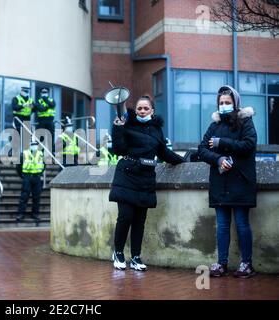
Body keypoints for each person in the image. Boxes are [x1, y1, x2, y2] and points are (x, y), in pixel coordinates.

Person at [109, 95, 185, 271]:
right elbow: (118, 149)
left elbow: (164, 152)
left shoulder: (157, 130)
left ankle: (136, 257)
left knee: (139, 220)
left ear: (152, 110)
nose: (142, 111)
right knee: (125, 216)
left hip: (145, 178)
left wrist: (182, 161)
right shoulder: (126, 122)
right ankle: (118, 252)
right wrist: (117, 128)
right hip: (127, 174)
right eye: (139, 108)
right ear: (135, 110)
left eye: (145, 108)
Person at [198, 85, 257, 278]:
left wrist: (221, 143)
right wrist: (218, 159)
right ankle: (222, 263)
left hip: (241, 181)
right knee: (222, 225)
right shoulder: (214, 125)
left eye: (228, 102)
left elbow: (249, 145)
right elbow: (202, 149)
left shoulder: (245, 121)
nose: (224, 105)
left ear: (235, 103)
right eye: (221, 103)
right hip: (220, 182)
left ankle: (246, 263)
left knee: (241, 223)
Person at [16, 140, 44, 222]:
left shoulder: (41, 154)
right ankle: (21, 214)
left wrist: (39, 173)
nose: (34, 146)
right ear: (29, 145)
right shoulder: (24, 154)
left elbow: (43, 165)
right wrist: (23, 176)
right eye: (33, 144)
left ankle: (35, 214)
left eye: (36, 144)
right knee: (24, 196)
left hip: (37, 177)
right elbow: (18, 167)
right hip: (27, 177)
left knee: (37, 197)